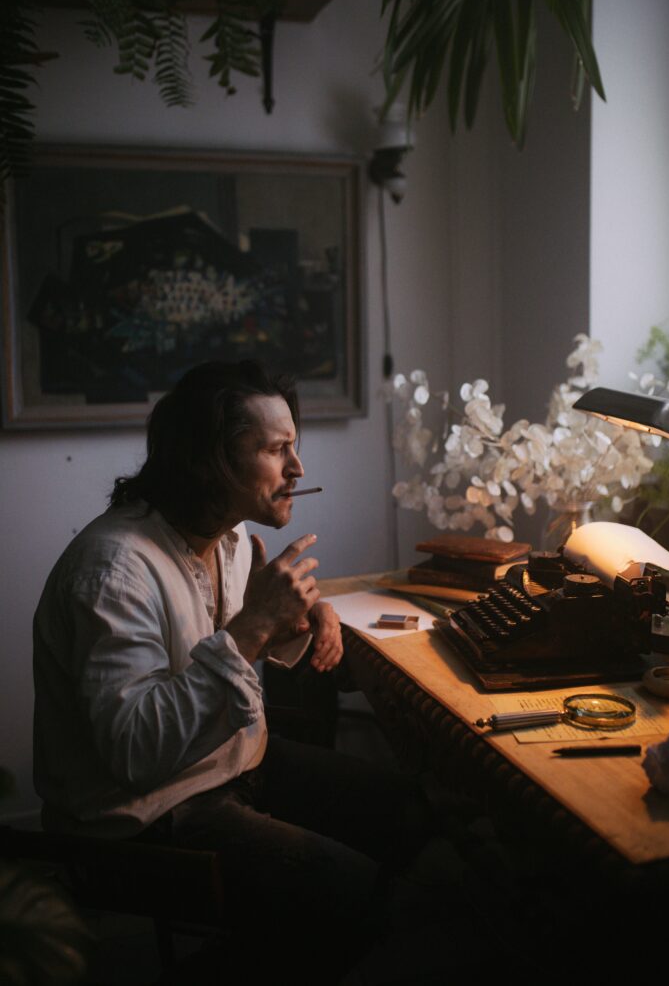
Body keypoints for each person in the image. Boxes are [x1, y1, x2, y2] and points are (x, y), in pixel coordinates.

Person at [33, 360, 429, 982]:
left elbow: (235, 634)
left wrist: (303, 614)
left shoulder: (231, 538)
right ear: (210, 461)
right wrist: (253, 627)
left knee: (409, 814)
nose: (298, 469)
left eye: (294, 446)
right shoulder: (112, 570)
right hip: (143, 815)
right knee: (346, 896)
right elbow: (133, 752)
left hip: (229, 765)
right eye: (276, 449)